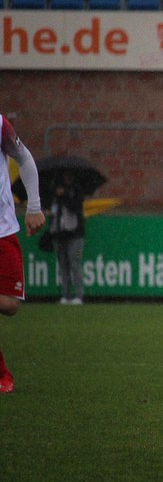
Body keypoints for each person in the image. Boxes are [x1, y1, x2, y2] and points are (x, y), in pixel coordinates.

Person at [0, 112, 45, 393]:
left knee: (10, 304)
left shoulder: (0, 125)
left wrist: (34, 206)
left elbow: (24, 158)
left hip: (2, 228)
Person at [48, 170, 87, 304]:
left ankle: (79, 295)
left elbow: (75, 207)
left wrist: (64, 195)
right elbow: (53, 212)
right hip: (60, 234)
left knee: (74, 263)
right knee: (63, 265)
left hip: (75, 234)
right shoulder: (56, 192)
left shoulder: (77, 191)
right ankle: (65, 295)